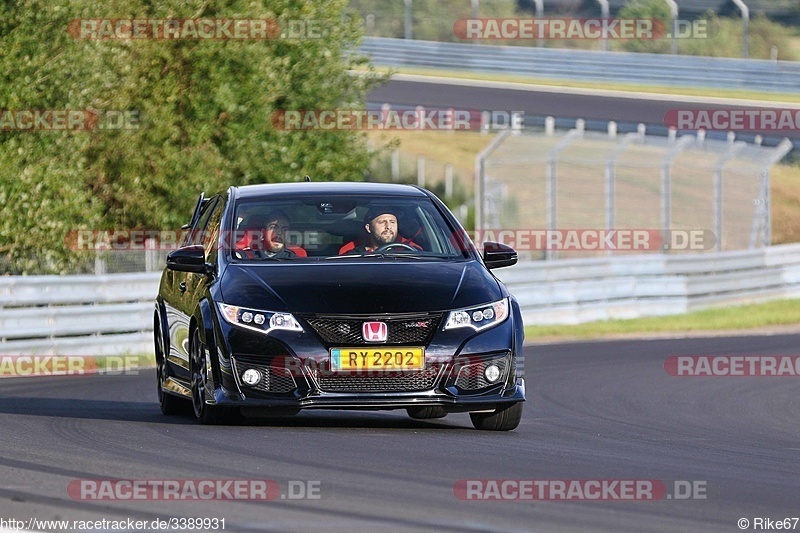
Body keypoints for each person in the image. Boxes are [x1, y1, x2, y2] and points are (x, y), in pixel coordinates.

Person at [347, 206, 421, 254]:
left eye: (392, 222)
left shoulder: (412, 254)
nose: (388, 226)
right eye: (382, 222)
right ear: (368, 228)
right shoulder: (354, 257)